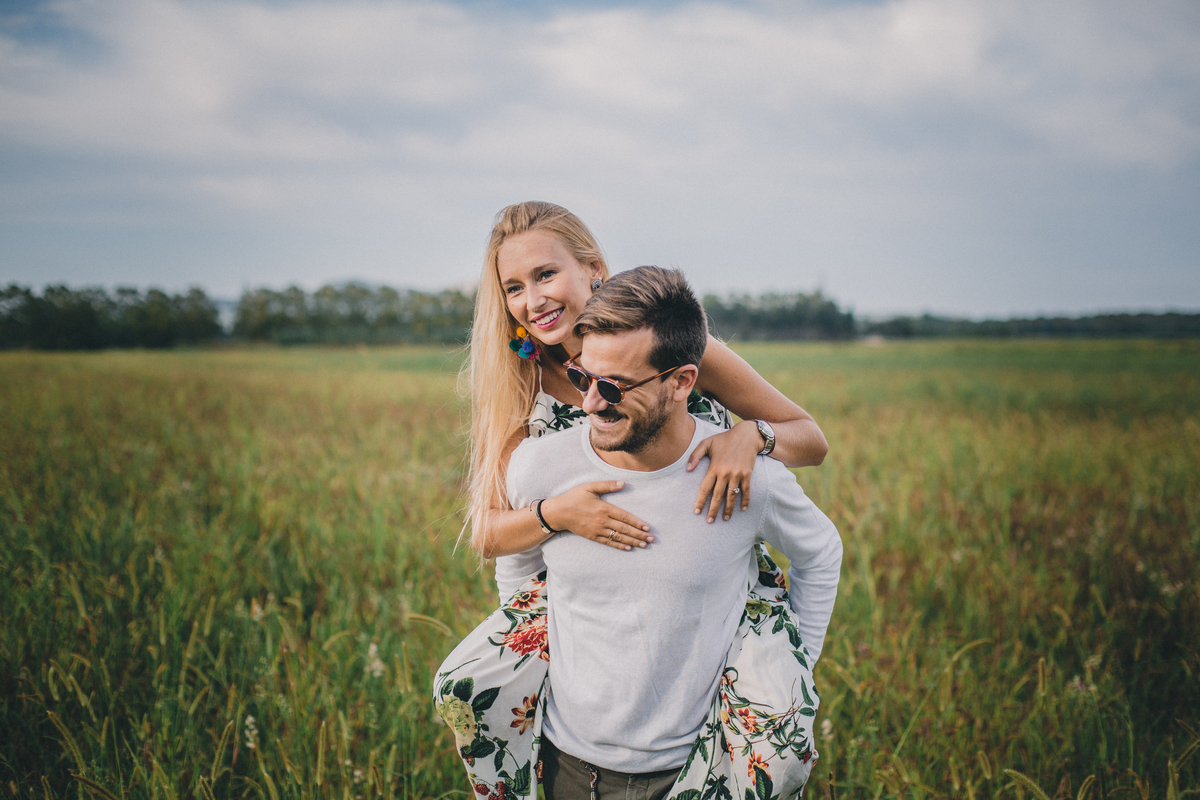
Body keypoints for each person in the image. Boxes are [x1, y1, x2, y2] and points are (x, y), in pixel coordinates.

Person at [433, 202, 832, 799]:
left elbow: (811, 440)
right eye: (512, 287)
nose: (532, 300)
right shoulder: (519, 381)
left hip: (703, 571)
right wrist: (556, 516)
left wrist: (752, 435)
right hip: (597, 607)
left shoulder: (662, 341)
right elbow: (490, 531)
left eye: (545, 275)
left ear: (593, 269)